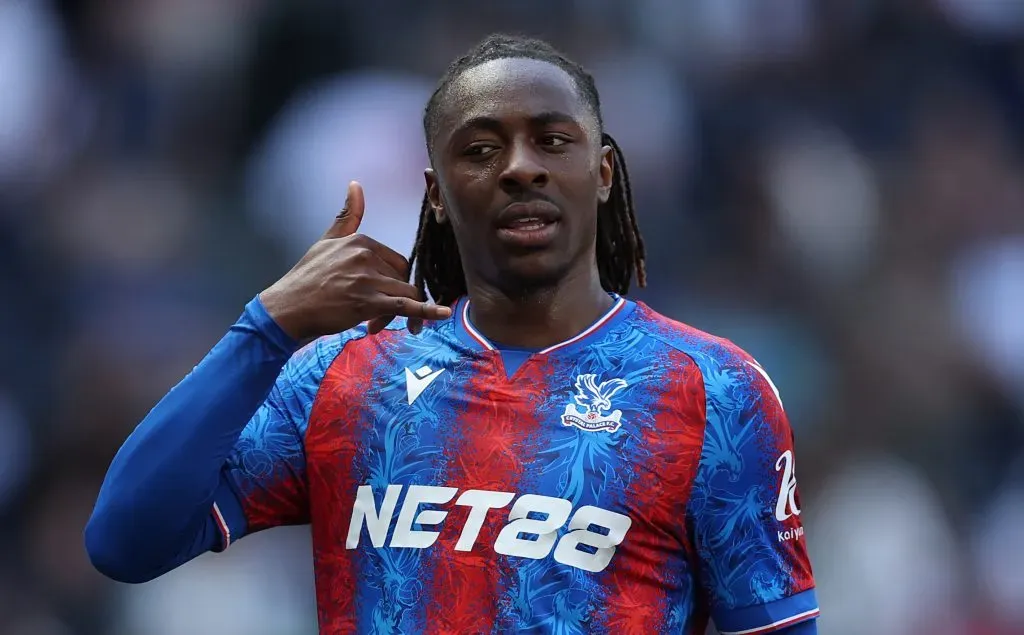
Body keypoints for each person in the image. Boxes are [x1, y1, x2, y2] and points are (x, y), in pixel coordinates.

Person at [85, 34, 818, 635]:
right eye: (480, 149)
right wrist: (267, 328)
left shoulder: (714, 391)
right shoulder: (343, 378)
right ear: (435, 193)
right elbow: (124, 539)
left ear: (601, 174)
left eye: (551, 140)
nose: (521, 168)